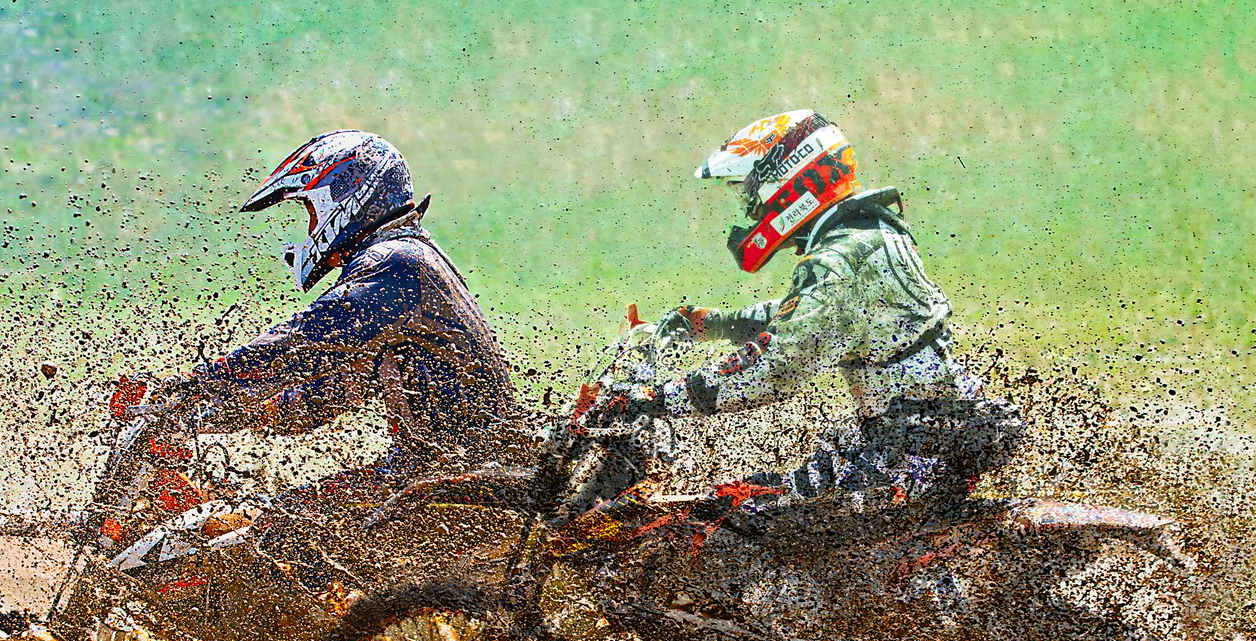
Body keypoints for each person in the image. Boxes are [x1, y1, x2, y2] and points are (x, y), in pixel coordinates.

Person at [613, 110, 1023, 507]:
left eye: (749, 195)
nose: (749, 211)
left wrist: (656, 398)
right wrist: (717, 324)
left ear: (791, 185)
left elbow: (774, 368)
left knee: (745, 514)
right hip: (917, 430)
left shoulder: (837, 259)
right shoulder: (864, 234)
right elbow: (810, 316)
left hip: (913, 451)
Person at [176, 129, 521, 504]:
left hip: (455, 482)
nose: (310, 229)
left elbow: (304, 341)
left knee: (283, 521)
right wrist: (218, 418)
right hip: (452, 475)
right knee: (267, 511)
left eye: (311, 213)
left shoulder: (395, 263)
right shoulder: (410, 259)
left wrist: (191, 389)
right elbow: (333, 389)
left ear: (344, 197)